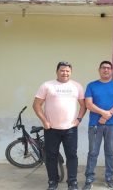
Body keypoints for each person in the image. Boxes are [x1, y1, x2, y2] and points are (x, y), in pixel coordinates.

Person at [33, 61, 86, 190]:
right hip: (51, 128)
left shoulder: (77, 86)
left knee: (72, 156)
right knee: (51, 156)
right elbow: (36, 105)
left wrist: (79, 119)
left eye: (67, 71)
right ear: (57, 71)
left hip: (70, 129)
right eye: (62, 70)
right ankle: (53, 181)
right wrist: (44, 121)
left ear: (71, 72)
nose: (65, 73)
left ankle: (72, 182)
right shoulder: (47, 85)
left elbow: (83, 105)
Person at [82, 61, 113, 190]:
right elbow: (88, 104)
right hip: (95, 124)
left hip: (112, 125)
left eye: (108, 68)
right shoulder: (91, 85)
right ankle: (89, 179)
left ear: (111, 70)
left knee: (110, 152)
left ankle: (109, 178)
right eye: (103, 68)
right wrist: (103, 113)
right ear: (99, 70)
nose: (106, 70)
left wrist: (108, 115)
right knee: (93, 152)